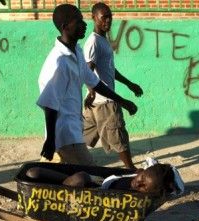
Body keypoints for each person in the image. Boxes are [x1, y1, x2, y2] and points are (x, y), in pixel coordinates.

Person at [37, 4, 137, 166]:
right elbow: (49, 104)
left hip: (74, 130)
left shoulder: (76, 51)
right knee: (90, 176)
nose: (83, 25)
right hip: (65, 135)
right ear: (65, 27)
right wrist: (50, 140)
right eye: (78, 21)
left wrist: (122, 101)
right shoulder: (59, 61)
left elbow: (95, 82)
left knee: (75, 178)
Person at [83, 2, 143, 170]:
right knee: (119, 138)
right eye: (104, 17)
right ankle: (132, 171)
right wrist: (92, 92)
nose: (108, 21)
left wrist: (129, 84)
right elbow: (88, 70)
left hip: (98, 102)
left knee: (80, 139)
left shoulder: (103, 40)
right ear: (94, 18)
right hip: (104, 102)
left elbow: (109, 68)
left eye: (110, 16)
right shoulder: (93, 42)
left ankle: (63, 161)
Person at [25, 163, 181, 196]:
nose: (138, 182)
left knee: (80, 177)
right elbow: (156, 170)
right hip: (97, 180)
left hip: (92, 193)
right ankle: (51, 192)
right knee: (33, 172)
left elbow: (175, 189)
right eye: (141, 177)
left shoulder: (135, 197)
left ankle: (53, 195)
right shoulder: (140, 175)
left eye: (143, 186)